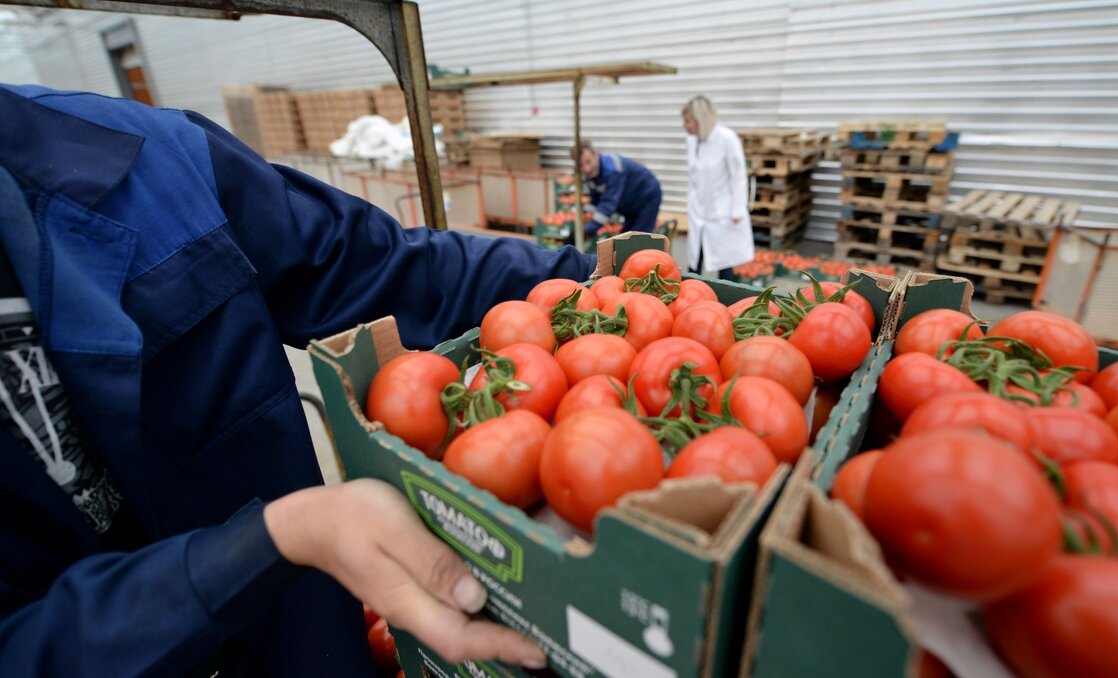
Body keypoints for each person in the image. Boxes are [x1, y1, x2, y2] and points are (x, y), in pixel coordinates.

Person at [0, 84, 597, 676]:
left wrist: (592, 279)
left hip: (308, 644)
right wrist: (265, 546)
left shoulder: (147, 159)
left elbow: (384, 266)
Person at [681, 95, 753, 281]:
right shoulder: (692, 141)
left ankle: (725, 302)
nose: (685, 126)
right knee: (694, 261)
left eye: (688, 121)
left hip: (722, 213)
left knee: (724, 264)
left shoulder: (727, 139)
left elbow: (738, 176)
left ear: (700, 118)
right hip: (699, 212)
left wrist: (738, 209)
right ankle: (691, 295)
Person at [572, 139, 663, 239]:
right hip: (629, 203)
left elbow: (608, 204)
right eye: (581, 165)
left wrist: (588, 229)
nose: (586, 168)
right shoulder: (590, 173)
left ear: (596, 154)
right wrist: (584, 215)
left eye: (588, 162)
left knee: (639, 239)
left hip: (647, 196)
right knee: (626, 238)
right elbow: (595, 198)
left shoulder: (613, 170)